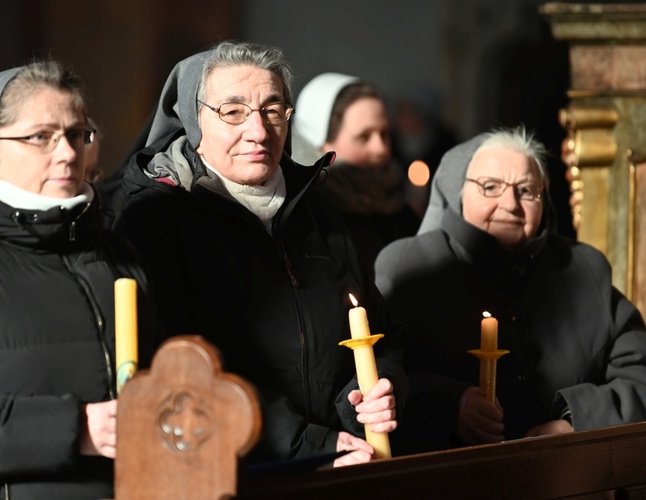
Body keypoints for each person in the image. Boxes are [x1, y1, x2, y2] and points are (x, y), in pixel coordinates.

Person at [113, 41, 407, 467]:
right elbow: (177, 370)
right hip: (228, 470)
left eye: (272, 110)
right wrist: (309, 444)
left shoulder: (319, 217)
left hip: (345, 461)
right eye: (233, 112)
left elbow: (384, 333)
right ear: (194, 121)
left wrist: (378, 392)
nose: (258, 131)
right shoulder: (154, 222)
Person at [0, 60, 157, 499]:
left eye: (77, 134)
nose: (68, 153)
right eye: (41, 137)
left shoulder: (114, 254)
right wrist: (77, 429)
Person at [374, 127, 646, 454]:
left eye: (527, 190)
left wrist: (575, 422)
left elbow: (639, 374)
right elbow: (372, 379)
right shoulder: (407, 266)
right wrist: (449, 405)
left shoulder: (585, 268)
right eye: (491, 187)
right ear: (458, 193)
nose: (511, 204)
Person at [292, 73, 419, 279]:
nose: (380, 148)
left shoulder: (395, 201)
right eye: (364, 137)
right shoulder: (306, 213)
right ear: (321, 144)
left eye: (384, 134)